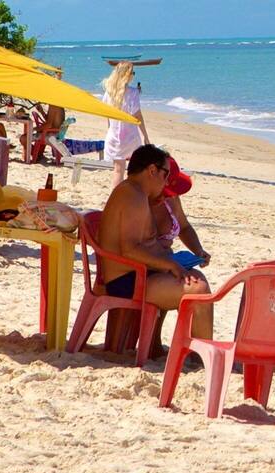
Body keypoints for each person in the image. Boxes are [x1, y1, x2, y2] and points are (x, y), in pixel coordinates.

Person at [99, 145, 214, 358]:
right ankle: (205, 356)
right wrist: (169, 264)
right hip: (127, 280)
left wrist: (176, 260)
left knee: (196, 280)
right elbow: (130, 249)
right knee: (197, 291)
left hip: (138, 274)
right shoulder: (131, 195)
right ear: (152, 170)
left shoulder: (136, 193)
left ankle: (200, 352)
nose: (166, 181)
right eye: (165, 174)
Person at [101, 62, 150, 182]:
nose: (133, 75)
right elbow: (138, 116)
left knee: (118, 171)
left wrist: (110, 130)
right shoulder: (133, 93)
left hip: (113, 136)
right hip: (130, 137)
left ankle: (116, 198)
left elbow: (107, 114)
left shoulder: (109, 92)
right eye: (132, 72)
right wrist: (145, 136)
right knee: (138, 168)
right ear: (126, 74)